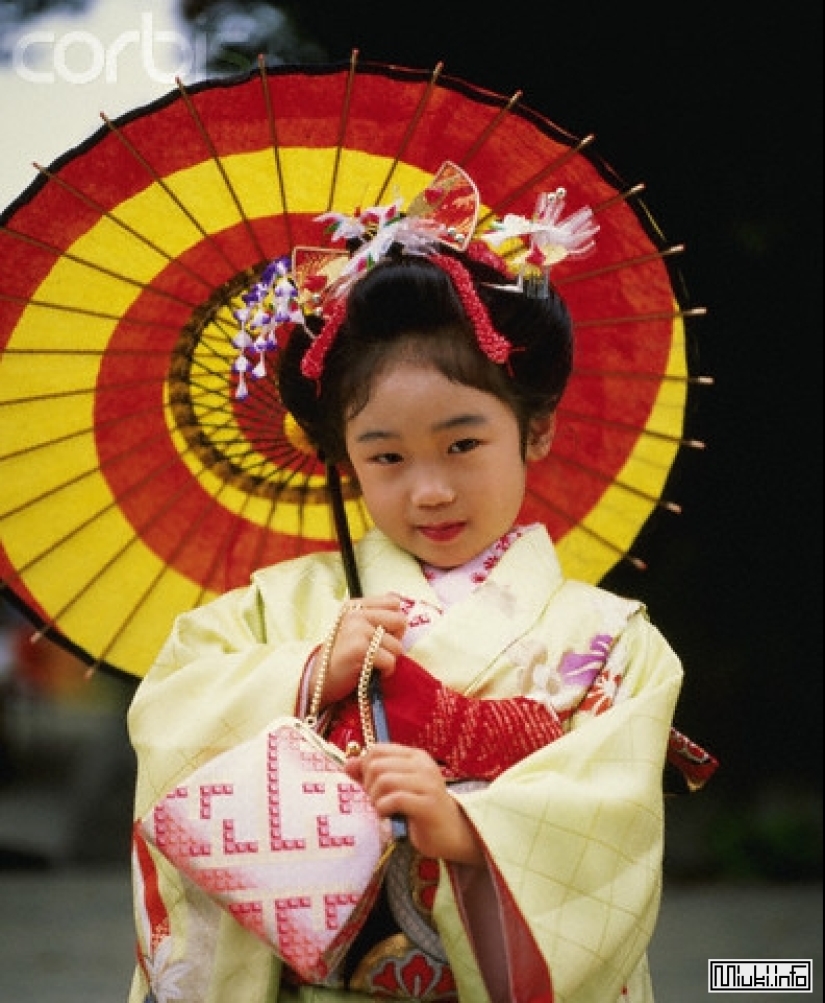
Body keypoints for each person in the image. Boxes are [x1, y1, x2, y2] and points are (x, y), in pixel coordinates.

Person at [127, 166, 715, 1002]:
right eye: (386, 456)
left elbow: (610, 812)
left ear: (534, 429)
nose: (429, 488)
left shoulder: (614, 640)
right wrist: (307, 671)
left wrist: (467, 828)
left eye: (462, 444)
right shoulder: (271, 611)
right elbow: (165, 716)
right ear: (343, 460)